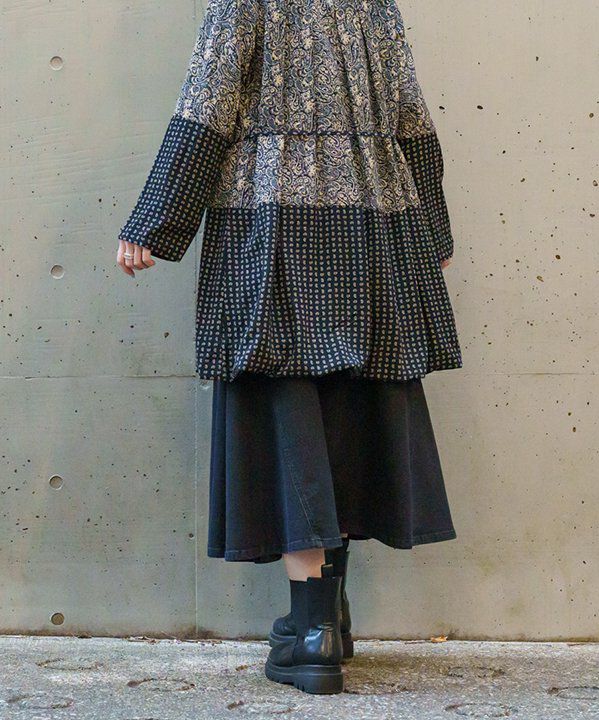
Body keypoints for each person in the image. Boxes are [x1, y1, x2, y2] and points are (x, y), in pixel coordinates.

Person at [117, 0, 462, 696]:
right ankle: (330, 617)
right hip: (376, 216)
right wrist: (433, 229)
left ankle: (311, 634)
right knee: (348, 412)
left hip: (273, 215)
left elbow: (207, 106)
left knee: (287, 413)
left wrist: (154, 222)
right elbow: (412, 117)